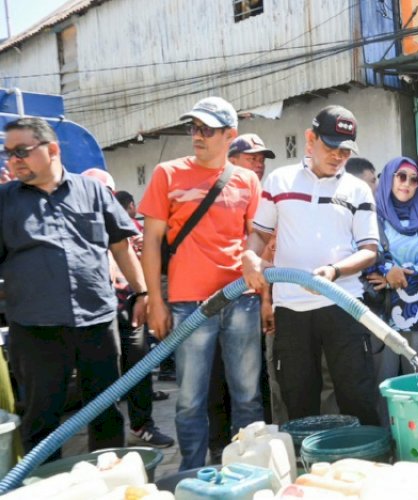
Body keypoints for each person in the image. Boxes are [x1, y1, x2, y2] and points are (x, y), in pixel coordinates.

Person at [0, 117, 145, 458]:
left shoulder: (92, 191)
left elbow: (121, 248)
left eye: (21, 151)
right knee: (41, 420)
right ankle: (46, 489)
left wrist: (143, 293)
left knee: (106, 412)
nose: (13, 160)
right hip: (35, 328)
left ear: (52, 149)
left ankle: (108, 482)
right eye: (8, 153)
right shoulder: (4, 201)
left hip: (96, 322)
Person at [139, 96, 264, 470]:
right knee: (190, 399)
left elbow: (257, 238)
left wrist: (264, 293)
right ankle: (190, 473)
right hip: (188, 303)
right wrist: (155, 302)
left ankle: (248, 469)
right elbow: (150, 243)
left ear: (230, 135)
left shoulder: (247, 180)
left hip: (240, 299)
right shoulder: (167, 174)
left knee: (247, 396)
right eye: (193, 128)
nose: (197, 136)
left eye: (207, 129)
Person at [242, 105, 380, 426]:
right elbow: (260, 234)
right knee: (298, 395)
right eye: (330, 147)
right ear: (310, 139)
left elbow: (369, 249)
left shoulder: (357, 189)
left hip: (343, 304)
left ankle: (368, 461)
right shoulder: (279, 180)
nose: (337, 156)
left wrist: (334, 271)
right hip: (291, 308)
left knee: (355, 393)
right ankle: (304, 465)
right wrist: (251, 257)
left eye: (345, 151)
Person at [81, 168, 175, 449]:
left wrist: (147, 297)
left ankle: (142, 425)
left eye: (106, 191)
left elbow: (144, 257)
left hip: (129, 305)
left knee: (139, 366)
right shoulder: (77, 225)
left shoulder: (127, 226)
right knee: (101, 379)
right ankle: (104, 443)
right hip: (94, 312)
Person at [206, 131, 275, 460]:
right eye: (252, 158)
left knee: (256, 382)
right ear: (231, 160)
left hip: (255, 299)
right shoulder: (217, 195)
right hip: (216, 298)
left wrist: (266, 301)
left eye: (262, 159)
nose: (259, 164)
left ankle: (256, 449)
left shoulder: (269, 199)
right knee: (216, 379)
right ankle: (219, 447)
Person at [367, 158, 418, 425]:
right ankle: (386, 442)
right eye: (401, 177)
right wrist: (389, 272)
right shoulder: (373, 218)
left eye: (414, 179)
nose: (407, 184)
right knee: (384, 385)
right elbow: (366, 253)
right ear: (389, 179)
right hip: (383, 313)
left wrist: (395, 274)